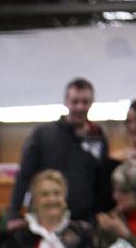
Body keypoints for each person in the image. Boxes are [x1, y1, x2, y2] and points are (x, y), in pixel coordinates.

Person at [8, 78, 112, 223]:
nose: (80, 107)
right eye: (75, 101)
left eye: (85, 102)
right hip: (47, 222)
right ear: (66, 102)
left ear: (92, 103)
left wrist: (104, 215)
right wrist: (13, 213)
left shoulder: (97, 138)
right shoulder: (43, 135)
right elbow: (24, 176)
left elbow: (102, 183)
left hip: (83, 225)